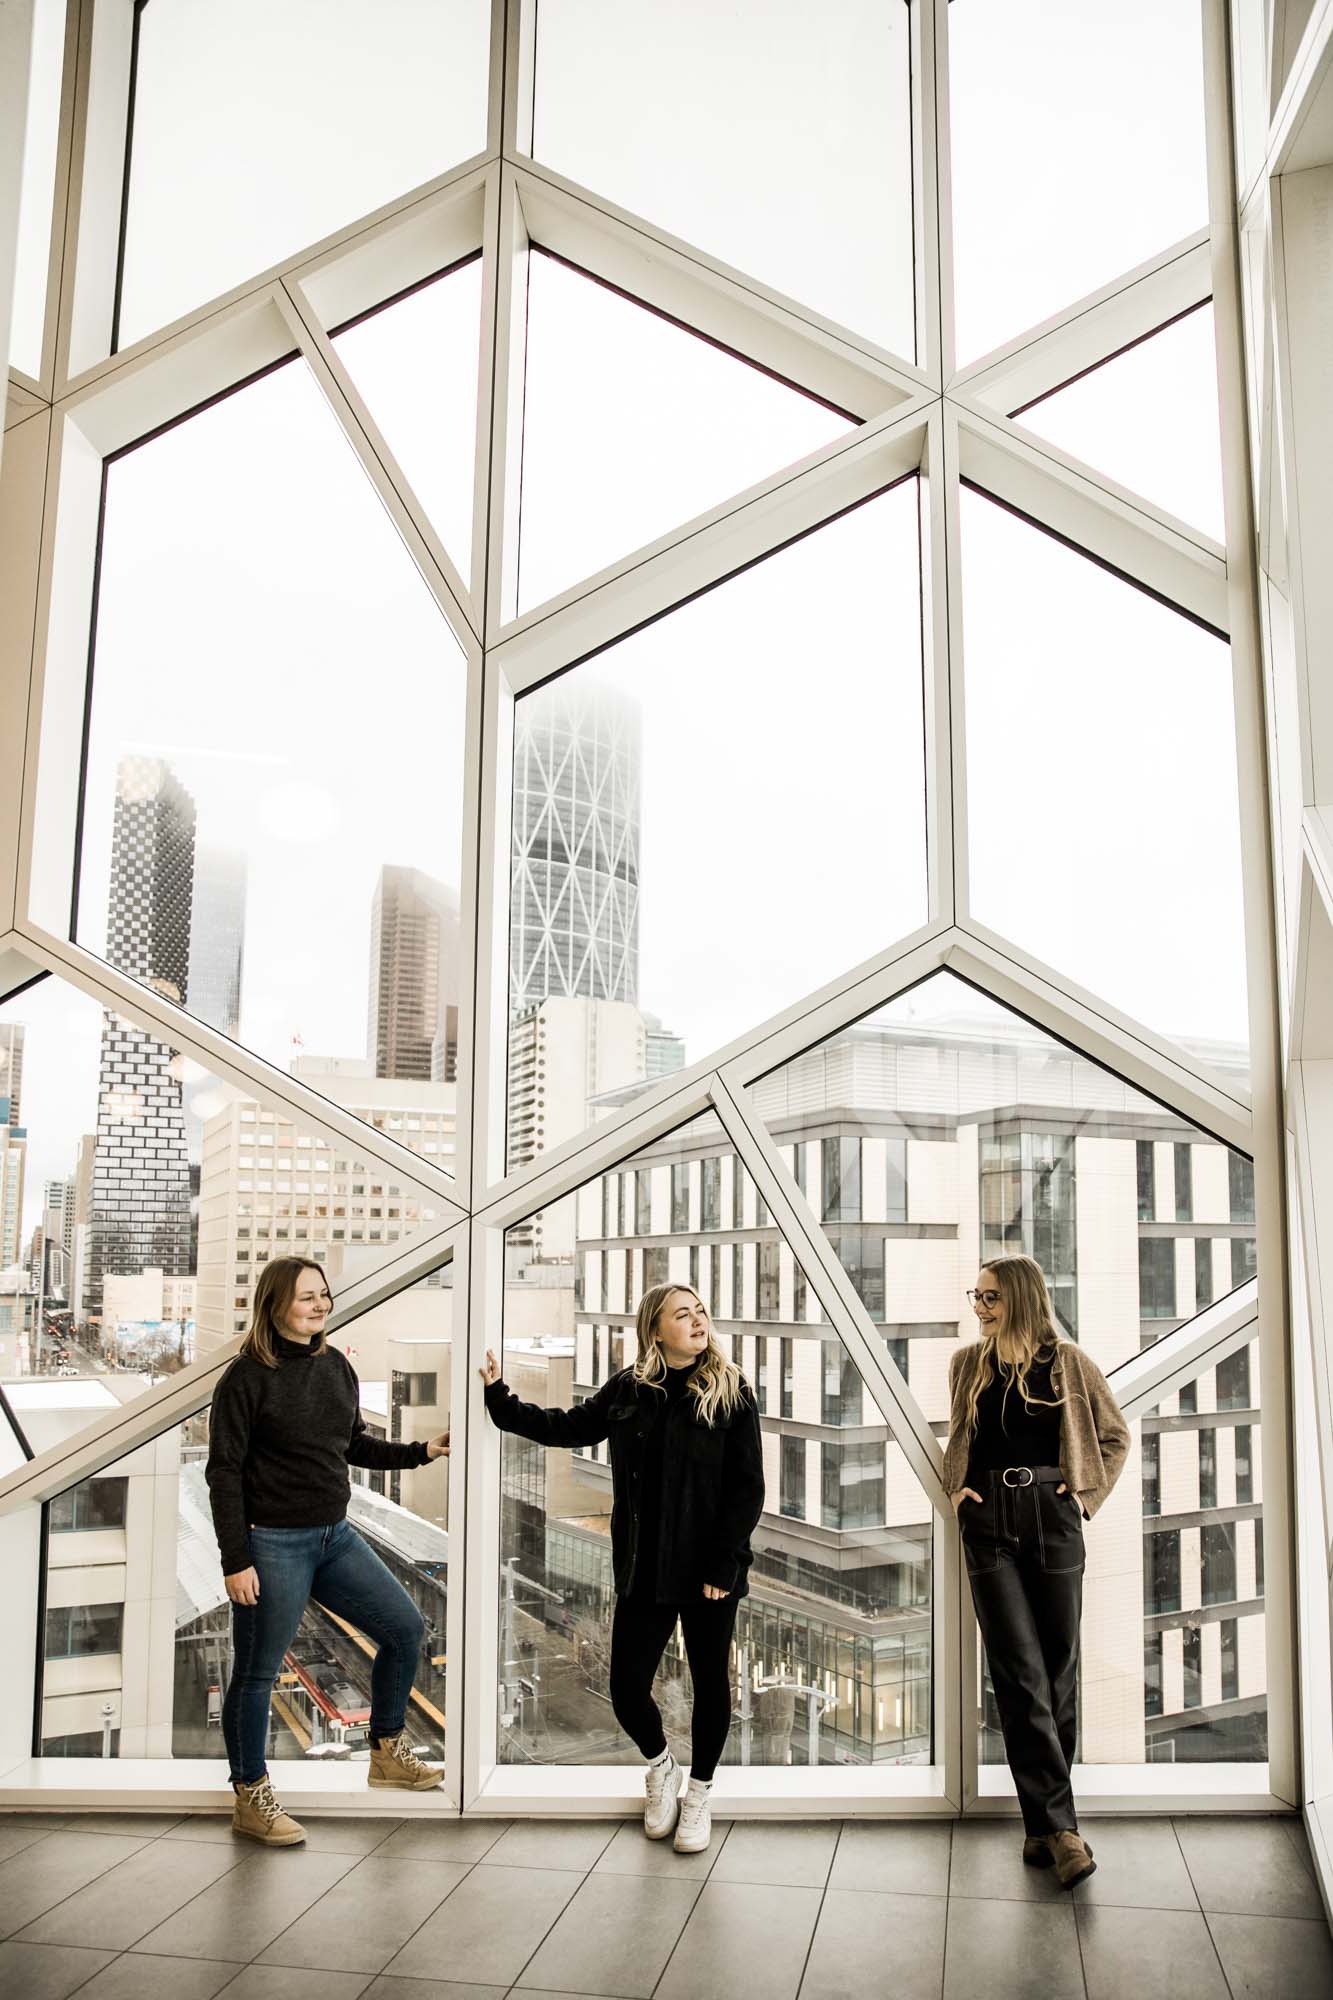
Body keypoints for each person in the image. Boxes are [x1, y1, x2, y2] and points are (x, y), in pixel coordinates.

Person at [480, 1281, 765, 1853]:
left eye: (700, 1311)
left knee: (711, 1686)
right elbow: (566, 1426)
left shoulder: (731, 1392)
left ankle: (700, 1794)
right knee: (627, 1686)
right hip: (645, 1570)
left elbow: (747, 1488)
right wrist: (498, 1398)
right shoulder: (630, 1389)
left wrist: (723, 1563)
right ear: (655, 1330)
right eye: (682, 1314)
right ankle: (662, 1768)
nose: (697, 1320)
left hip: (709, 1573)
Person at [206, 1257, 451, 1845]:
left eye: (324, 1295)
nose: (319, 1306)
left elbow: (352, 1445)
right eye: (305, 1298)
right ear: (275, 1306)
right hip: (272, 1543)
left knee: (403, 1628)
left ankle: (388, 1752)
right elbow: (224, 1474)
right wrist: (236, 1559)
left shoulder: (334, 1365)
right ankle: (251, 1795)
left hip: (333, 1537)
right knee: (258, 1673)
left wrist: (421, 1450)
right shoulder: (245, 1378)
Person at [946, 1254, 1130, 1888]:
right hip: (989, 1522)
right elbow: (962, 1440)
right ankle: (1066, 1834)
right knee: (1020, 1673)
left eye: (991, 1296)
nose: (980, 1306)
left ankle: (1041, 1828)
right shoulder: (968, 1365)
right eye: (977, 1295)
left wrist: (1084, 1497)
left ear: (1020, 1298)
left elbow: (1115, 1435)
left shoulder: (1068, 1364)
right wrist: (958, 1490)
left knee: (1058, 1671)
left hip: (1053, 1517)